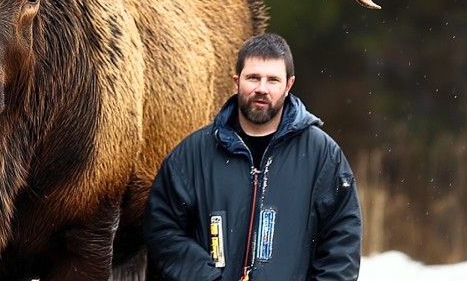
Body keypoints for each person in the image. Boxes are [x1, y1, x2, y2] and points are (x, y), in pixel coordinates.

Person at [144, 33, 361, 280]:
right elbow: (163, 229)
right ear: (236, 81)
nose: (262, 88)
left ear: (289, 85)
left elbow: (342, 242)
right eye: (253, 78)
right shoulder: (193, 155)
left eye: (273, 80)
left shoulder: (322, 156)